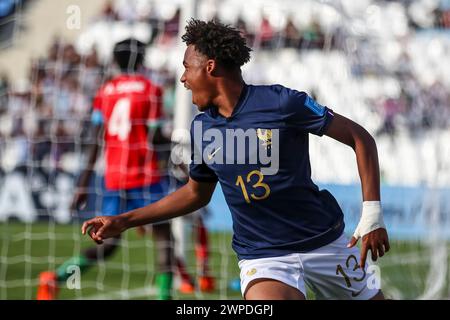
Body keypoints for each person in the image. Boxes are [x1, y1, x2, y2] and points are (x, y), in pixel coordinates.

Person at [80, 20, 390, 300]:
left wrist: (371, 214)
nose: (183, 78)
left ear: (210, 67)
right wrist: (124, 220)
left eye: (187, 67)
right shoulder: (202, 127)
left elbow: (360, 138)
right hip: (264, 256)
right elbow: (195, 193)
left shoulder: (283, 102)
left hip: (324, 243)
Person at [37, 38, 174, 300]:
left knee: (108, 244)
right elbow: (153, 137)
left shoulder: (106, 91)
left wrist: (84, 182)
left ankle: (55, 278)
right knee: (164, 237)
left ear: (115, 61)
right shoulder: (151, 90)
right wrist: (175, 149)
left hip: (114, 177)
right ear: (142, 59)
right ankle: (164, 297)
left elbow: (97, 138)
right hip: (144, 175)